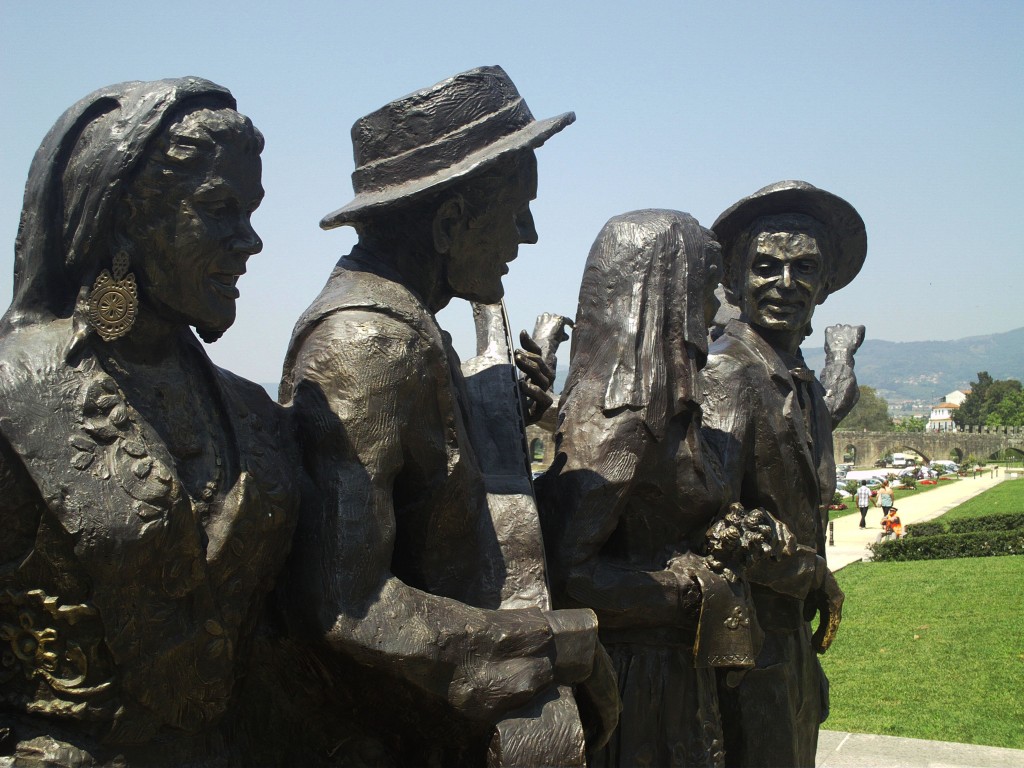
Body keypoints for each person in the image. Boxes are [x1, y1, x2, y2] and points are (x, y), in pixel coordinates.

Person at [279, 66, 616, 766]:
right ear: (450, 223)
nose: (528, 233)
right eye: (517, 209)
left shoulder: (415, 330)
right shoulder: (369, 346)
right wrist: (553, 642)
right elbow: (347, 604)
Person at [0, 78, 299, 766]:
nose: (248, 241)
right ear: (127, 220)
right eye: (220, 209)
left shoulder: (254, 416)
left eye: (250, 211)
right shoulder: (18, 396)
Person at [540, 210, 791, 768]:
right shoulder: (623, 419)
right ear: (669, 294)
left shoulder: (671, 407)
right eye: (707, 289)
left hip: (675, 673)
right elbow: (568, 572)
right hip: (634, 685)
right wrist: (688, 587)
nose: (718, 308)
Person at [699, 180, 867, 767]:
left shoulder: (800, 381)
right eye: (766, 267)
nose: (785, 285)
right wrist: (814, 575)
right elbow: (711, 525)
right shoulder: (729, 375)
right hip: (745, 654)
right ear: (736, 278)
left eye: (805, 269)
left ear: (825, 286)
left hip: (789, 643)